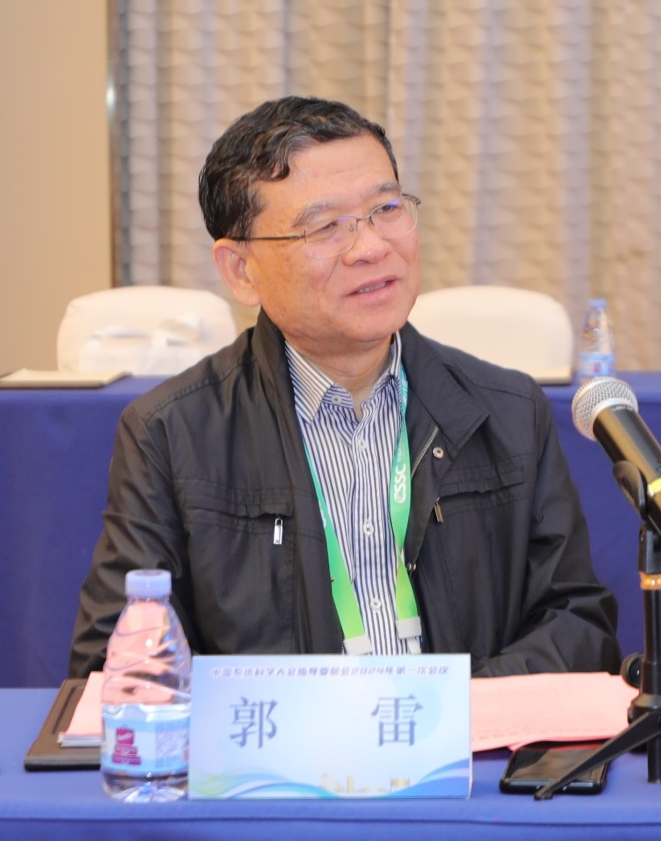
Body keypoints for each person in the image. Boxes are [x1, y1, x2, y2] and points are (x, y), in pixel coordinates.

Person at [69, 95, 621, 678]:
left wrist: (453, 709)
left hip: (471, 734)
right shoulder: (172, 433)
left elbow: (578, 624)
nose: (372, 247)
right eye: (326, 227)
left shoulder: (508, 412)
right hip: (282, 737)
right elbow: (119, 664)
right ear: (241, 270)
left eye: (387, 208)